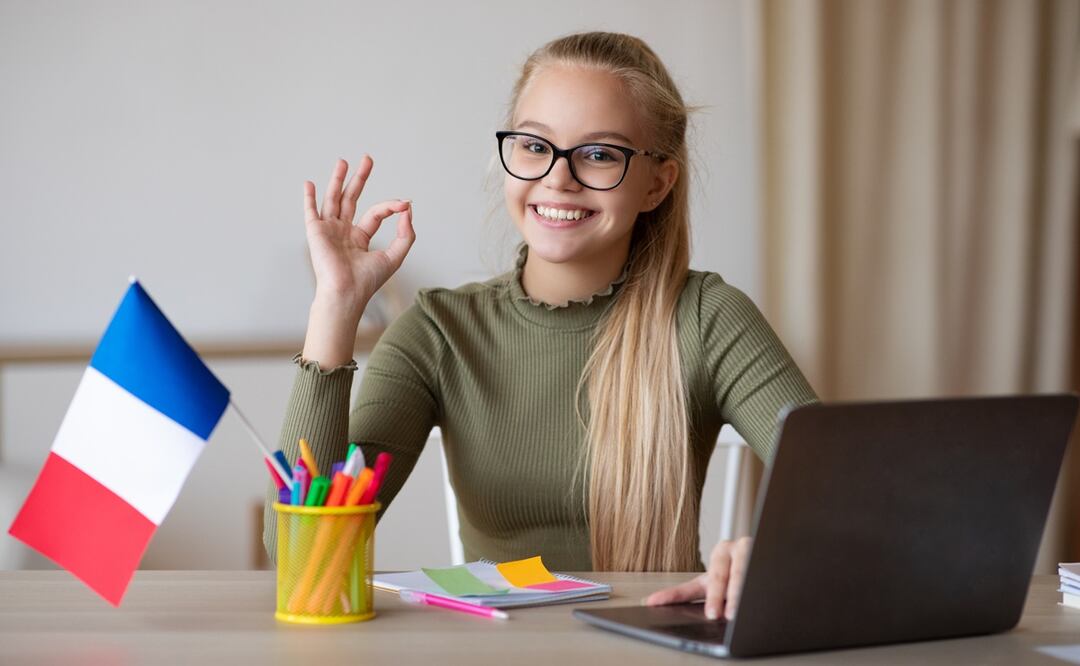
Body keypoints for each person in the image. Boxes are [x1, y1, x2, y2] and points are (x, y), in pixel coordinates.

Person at [263, 30, 818, 622]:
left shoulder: (708, 317)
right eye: (534, 145)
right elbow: (299, 559)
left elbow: (851, 500)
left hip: (658, 646)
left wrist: (777, 551)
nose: (558, 178)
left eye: (600, 154)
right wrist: (336, 306)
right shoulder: (440, 330)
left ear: (656, 183)